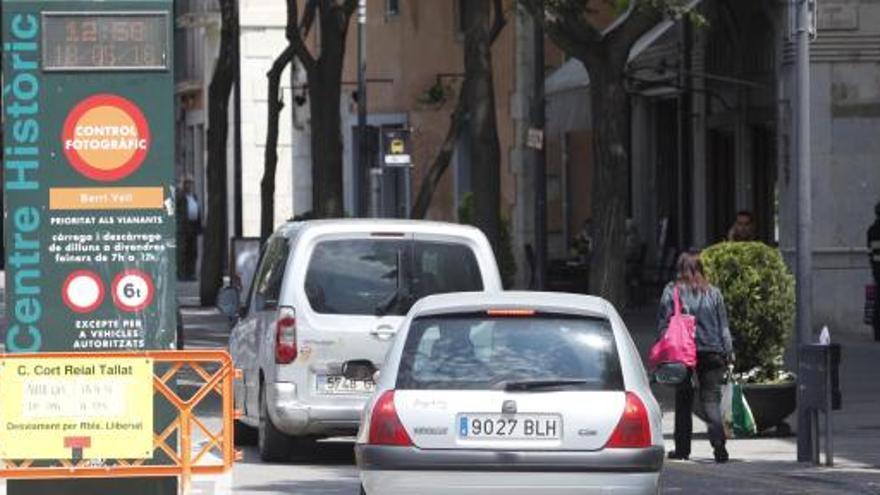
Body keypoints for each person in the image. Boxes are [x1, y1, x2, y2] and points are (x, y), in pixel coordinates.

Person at [657, 251, 734, 463]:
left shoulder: (671, 291)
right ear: (700, 267)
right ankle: (719, 445)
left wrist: (666, 350)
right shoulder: (713, 293)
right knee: (711, 401)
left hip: (683, 354)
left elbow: (663, 325)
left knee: (683, 402)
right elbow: (724, 327)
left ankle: (682, 449)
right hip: (713, 352)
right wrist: (728, 352)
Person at [176, 178, 202, 280]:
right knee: (183, 252)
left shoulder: (194, 196)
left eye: (191, 184)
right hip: (183, 227)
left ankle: (191, 274)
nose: (189, 186)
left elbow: (197, 211)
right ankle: (182, 274)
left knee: (193, 252)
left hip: (193, 226)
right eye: (187, 184)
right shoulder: (181, 196)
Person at [868, 202, 880, 341]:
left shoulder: (871, 230)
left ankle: (877, 332)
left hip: (876, 268)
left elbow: (870, 252)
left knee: (877, 300)